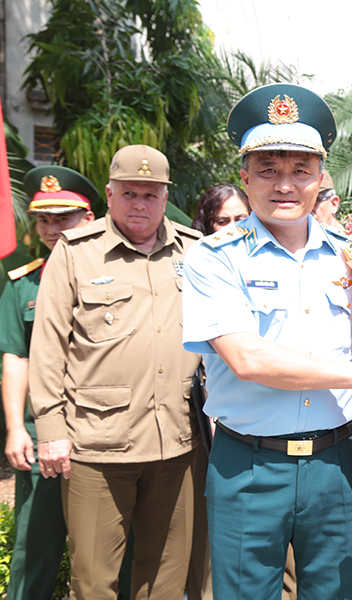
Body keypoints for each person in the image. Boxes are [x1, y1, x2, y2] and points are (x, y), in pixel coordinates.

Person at [180, 83, 352, 600]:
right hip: (248, 466)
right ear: (245, 176)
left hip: (338, 462)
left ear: (320, 177)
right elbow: (246, 357)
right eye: (268, 169)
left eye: (300, 169)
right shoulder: (214, 257)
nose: (285, 184)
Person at [28, 144, 203, 600]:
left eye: (151, 194)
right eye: (129, 193)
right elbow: (48, 346)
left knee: (166, 578)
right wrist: (50, 430)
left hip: (178, 442)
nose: (140, 204)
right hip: (97, 446)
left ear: (166, 196)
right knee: (93, 581)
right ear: (110, 193)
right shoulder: (75, 252)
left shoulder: (195, 251)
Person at [0, 166, 95, 600]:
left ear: (89, 218)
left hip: (107, 434)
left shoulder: (112, 275)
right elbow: (15, 359)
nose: (52, 229)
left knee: (112, 552)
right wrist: (17, 428)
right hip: (43, 437)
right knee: (35, 549)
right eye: (44, 220)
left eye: (64, 218)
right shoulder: (23, 286)